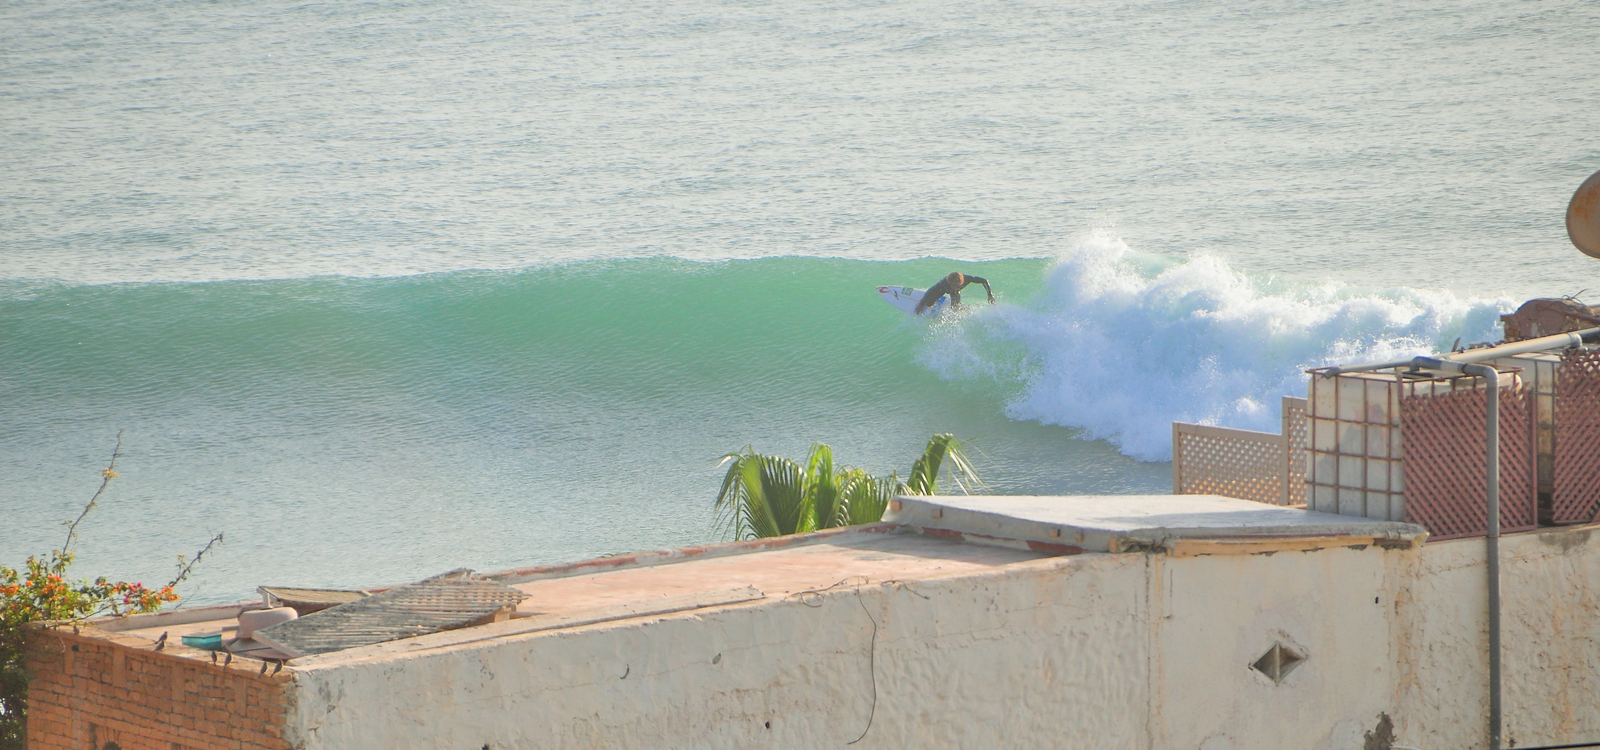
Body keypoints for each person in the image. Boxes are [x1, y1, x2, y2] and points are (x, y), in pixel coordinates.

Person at [914, 271, 995, 315]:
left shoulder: (968, 279)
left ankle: (967, 309)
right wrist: (921, 304)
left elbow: (984, 281)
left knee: (955, 309)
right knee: (928, 304)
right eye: (951, 284)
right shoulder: (944, 283)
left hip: (955, 293)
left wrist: (990, 295)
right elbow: (931, 290)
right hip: (943, 289)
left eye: (954, 285)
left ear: (960, 283)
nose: (952, 286)